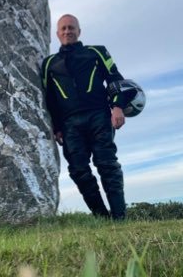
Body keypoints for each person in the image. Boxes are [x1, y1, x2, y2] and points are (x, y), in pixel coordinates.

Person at [41, 14, 130, 220]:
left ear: (79, 31)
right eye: (63, 28)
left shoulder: (97, 52)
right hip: (70, 124)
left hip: (99, 116)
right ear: (57, 34)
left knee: (107, 164)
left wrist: (117, 107)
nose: (67, 31)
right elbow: (49, 99)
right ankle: (102, 218)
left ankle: (119, 218)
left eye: (71, 27)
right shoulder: (49, 64)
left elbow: (115, 79)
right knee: (78, 171)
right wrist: (56, 128)